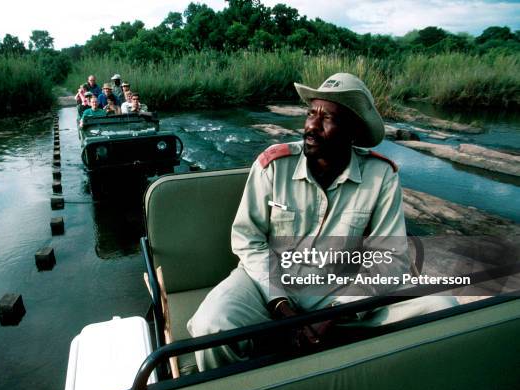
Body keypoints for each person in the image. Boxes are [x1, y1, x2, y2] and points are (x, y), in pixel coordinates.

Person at [187, 72, 457, 371]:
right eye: (310, 113)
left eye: (327, 118)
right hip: (268, 280)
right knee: (210, 327)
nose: (311, 126)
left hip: (341, 290)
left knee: (440, 307)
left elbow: (390, 258)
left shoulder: (381, 176)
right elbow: (247, 239)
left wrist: (337, 312)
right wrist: (280, 304)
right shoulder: (273, 165)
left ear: (353, 131)